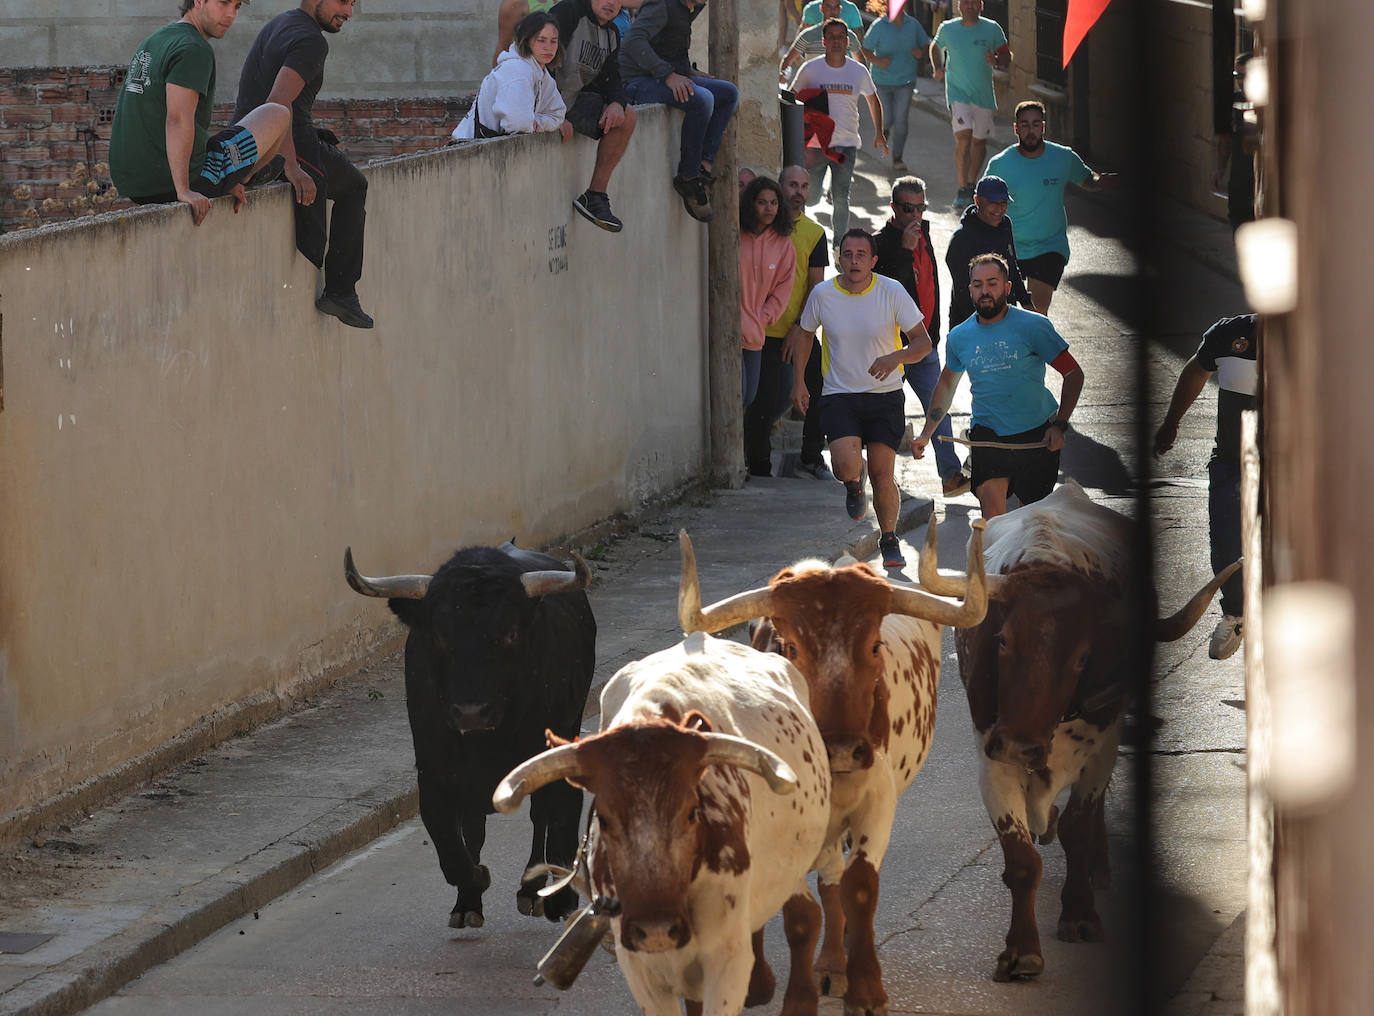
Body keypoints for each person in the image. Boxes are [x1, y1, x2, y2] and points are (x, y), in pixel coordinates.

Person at [784, 229, 934, 568]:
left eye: (861, 255)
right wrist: (799, 383)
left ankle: (890, 538)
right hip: (840, 395)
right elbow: (805, 336)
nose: (853, 261)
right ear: (839, 258)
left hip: (885, 397)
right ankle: (853, 482)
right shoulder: (823, 294)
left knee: (883, 474)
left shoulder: (891, 291)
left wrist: (895, 357)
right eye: (847, 254)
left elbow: (922, 343)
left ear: (873, 260)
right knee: (844, 467)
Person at [234, 0, 375, 329]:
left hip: (244, 144)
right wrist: (290, 165)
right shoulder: (312, 40)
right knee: (355, 186)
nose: (349, 13)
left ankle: (341, 292)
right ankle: (340, 291)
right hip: (277, 145)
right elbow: (278, 102)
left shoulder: (282, 23)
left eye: (353, 4)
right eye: (343, 2)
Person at [911, 253, 1083, 518]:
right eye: (978, 285)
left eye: (992, 283)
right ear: (970, 290)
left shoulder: (1034, 326)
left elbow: (1073, 373)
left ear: (1007, 287)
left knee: (1031, 528)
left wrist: (1060, 424)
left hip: (1037, 436)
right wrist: (926, 433)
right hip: (988, 437)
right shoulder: (959, 337)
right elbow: (946, 386)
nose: (985, 291)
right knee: (995, 526)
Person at [110, 0, 291, 227]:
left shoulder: (156, 40)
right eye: (223, 3)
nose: (230, 14)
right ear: (198, 1)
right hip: (173, 181)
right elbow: (177, 119)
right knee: (278, 113)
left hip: (134, 183)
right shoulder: (193, 48)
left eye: (237, 6)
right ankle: (241, 177)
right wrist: (184, 190)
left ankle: (232, 178)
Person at [1152, 313, 1257, 661]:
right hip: (1231, 463)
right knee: (1226, 547)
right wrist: (1171, 423)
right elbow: (1196, 372)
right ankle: (1236, 614)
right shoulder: (1230, 334)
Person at [873, 175, 970, 497]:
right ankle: (876, 478)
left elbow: (930, 286)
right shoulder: (881, 243)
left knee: (938, 408)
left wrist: (935, 332)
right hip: (892, 347)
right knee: (884, 414)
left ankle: (951, 476)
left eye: (920, 208)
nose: (915, 215)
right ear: (893, 207)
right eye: (907, 208)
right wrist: (904, 250)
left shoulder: (924, 234)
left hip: (925, 344)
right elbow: (888, 291)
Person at [985, 99, 1118, 315]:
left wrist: (1099, 182)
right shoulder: (1000, 164)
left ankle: (1035, 345)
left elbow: (1086, 179)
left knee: (1037, 311)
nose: (1031, 131)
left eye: (1036, 124)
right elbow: (985, 204)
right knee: (1005, 314)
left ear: (1043, 127)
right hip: (1010, 247)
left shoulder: (1063, 157)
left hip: (1049, 246)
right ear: (1016, 128)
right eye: (1025, 125)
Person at [620, 0, 738, 223]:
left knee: (728, 93)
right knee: (703, 99)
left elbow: (673, 45)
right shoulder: (661, 4)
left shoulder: (691, 7)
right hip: (637, 81)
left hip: (661, 76)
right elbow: (633, 42)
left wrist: (688, 72)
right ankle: (689, 177)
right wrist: (668, 74)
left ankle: (703, 166)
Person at [791, 18, 885, 242]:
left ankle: (839, 245)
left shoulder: (858, 71)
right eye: (831, 37)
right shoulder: (810, 69)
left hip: (847, 143)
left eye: (840, 37)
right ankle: (802, 235)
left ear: (847, 41)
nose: (836, 41)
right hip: (816, 145)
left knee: (842, 196)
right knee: (810, 198)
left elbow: (873, 100)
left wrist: (879, 133)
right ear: (823, 42)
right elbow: (791, 98)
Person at [550, 0, 637, 232]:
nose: (611, 3)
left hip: (573, 102)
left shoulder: (612, 33)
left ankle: (595, 196)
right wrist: (553, 115)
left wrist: (617, 103)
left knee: (627, 116)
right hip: (543, 102)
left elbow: (612, 78)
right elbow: (539, 63)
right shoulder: (567, 12)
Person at [774, 164, 832, 480]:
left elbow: (815, 287)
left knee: (817, 392)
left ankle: (811, 458)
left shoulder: (815, 233)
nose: (798, 192)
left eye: (804, 186)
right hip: (764, 330)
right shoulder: (765, 227)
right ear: (781, 186)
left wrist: (800, 328)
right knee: (762, 398)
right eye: (792, 185)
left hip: (800, 330)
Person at [930, 0, 1009, 209]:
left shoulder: (992, 28)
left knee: (979, 142)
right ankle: (962, 186)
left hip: (983, 95)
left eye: (974, 2)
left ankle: (972, 183)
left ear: (981, 5)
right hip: (958, 93)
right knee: (964, 137)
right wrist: (937, 67)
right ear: (959, 6)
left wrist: (997, 60)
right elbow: (935, 47)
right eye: (966, 2)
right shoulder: (948, 28)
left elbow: (1006, 54)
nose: (970, 6)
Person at [739, 176, 798, 441]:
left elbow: (783, 290)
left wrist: (762, 318)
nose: (768, 208)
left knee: (748, 396)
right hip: (725, 330)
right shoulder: (734, 233)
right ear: (751, 204)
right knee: (735, 392)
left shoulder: (784, 244)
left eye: (774, 203)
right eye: (762, 202)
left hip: (754, 333)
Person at [454, 13, 568, 140]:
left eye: (554, 41)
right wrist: (531, 123)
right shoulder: (517, 70)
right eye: (541, 40)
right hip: (470, 147)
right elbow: (518, 124)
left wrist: (538, 122)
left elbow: (558, 114)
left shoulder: (542, 74)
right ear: (526, 40)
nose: (548, 47)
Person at [944, 174, 1033, 328]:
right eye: (993, 202)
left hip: (1006, 319)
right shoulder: (962, 238)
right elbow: (962, 291)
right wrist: (983, 325)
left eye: (1003, 203)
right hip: (971, 324)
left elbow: (1011, 265)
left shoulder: (1005, 224)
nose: (999, 209)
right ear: (977, 201)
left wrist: (1025, 301)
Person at [862, 1, 930, 171]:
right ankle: (884, 130)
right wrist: (878, 61)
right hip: (881, 81)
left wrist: (920, 52)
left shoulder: (913, 25)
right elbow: (865, 49)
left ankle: (897, 157)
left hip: (906, 82)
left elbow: (925, 44)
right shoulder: (879, 26)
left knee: (901, 121)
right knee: (889, 118)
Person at [778, 0, 867, 85]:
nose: (832, 11)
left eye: (835, 7)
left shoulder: (850, 36)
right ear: (821, 9)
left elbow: (861, 62)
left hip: (840, 90)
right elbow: (789, 59)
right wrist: (785, 75)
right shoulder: (808, 34)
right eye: (829, 7)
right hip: (812, 89)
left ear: (840, 9)